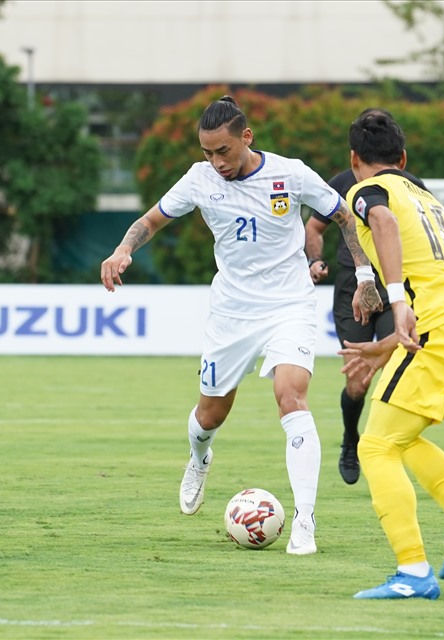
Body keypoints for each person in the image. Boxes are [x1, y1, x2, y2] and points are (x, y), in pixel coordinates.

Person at [101, 96, 382, 555]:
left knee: (291, 395)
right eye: (208, 152)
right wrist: (122, 249)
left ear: (246, 137)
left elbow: (343, 215)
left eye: (223, 151)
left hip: (289, 303)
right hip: (232, 311)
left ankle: (305, 521)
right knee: (210, 415)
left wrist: (366, 276)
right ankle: (199, 457)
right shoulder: (199, 179)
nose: (217, 162)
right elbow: (151, 220)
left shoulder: (290, 174)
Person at [338, 110, 444, 599]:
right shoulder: (431, 202)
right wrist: (384, 346)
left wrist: (395, 301)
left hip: (437, 334)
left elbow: (382, 221)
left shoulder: (368, 191)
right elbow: (433, 283)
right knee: (402, 439)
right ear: (403, 159)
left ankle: (412, 573)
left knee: (375, 447)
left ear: (354, 159)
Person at [305, 152, 393, 485]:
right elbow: (314, 227)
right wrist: (314, 260)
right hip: (349, 287)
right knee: (357, 382)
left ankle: (385, 446)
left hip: (392, 286)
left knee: (396, 367)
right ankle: (350, 440)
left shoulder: (403, 186)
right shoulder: (342, 182)